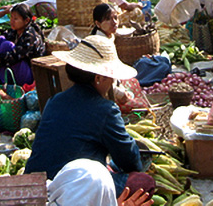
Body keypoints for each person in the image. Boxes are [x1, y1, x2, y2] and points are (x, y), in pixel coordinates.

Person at [25, 35, 155, 199]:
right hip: (67, 191)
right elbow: (130, 161)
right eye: (110, 76)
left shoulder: (55, 100)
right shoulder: (105, 110)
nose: (112, 81)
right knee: (144, 182)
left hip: (34, 185)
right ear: (99, 78)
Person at [0, 4, 45, 86]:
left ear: (26, 21)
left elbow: (14, 57)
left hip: (28, 75)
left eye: (15, 19)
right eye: (11, 17)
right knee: (0, 39)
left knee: (7, 45)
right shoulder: (14, 31)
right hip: (16, 68)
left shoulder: (30, 36)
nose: (12, 21)